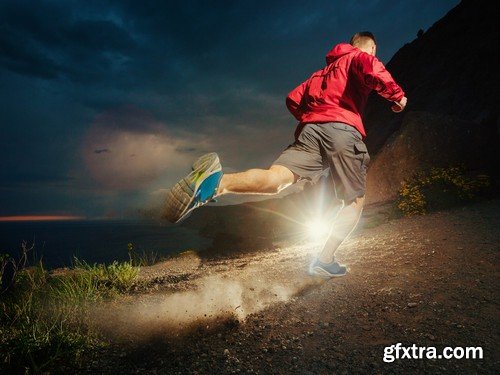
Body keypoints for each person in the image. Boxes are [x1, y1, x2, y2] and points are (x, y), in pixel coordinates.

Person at [164, 31, 407, 278]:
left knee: (276, 180)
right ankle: (325, 259)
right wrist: (398, 97)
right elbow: (373, 69)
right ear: (372, 47)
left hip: (311, 130)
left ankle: (215, 183)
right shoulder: (359, 57)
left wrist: (312, 118)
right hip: (342, 129)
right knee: (354, 202)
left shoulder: (321, 73)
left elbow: (293, 99)